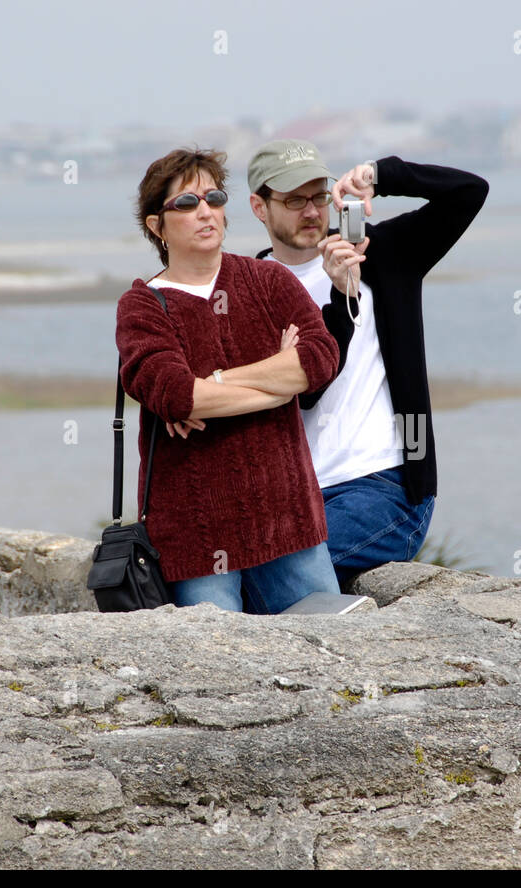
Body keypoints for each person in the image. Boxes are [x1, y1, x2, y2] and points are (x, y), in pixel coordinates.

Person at [245, 140, 489, 589]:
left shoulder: (382, 253)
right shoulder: (249, 291)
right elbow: (304, 392)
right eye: (295, 200)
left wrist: (382, 174)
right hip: (293, 493)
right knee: (236, 565)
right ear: (260, 207)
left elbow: (468, 192)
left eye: (319, 196)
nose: (312, 211)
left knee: (278, 564)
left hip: (387, 487)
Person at [115, 146, 345, 614]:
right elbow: (178, 393)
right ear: (156, 227)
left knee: (328, 654)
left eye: (214, 198)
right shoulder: (141, 306)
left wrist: (214, 385)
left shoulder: (270, 281)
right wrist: (277, 383)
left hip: (290, 523)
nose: (205, 212)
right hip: (196, 538)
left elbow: (320, 359)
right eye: (186, 203)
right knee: (213, 681)